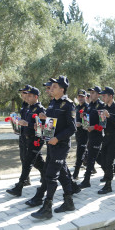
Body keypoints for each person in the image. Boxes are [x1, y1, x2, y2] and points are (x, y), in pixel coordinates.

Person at [31, 76, 77, 220]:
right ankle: (69, 202)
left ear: (62, 89)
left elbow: (72, 128)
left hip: (61, 145)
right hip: (51, 144)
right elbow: (51, 125)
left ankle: (47, 208)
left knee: (50, 175)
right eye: (52, 86)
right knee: (62, 174)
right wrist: (42, 123)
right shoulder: (52, 104)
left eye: (55, 87)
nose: (51, 88)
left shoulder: (69, 105)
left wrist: (57, 138)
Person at [6, 87, 45, 197]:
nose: (26, 97)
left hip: (36, 139)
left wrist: (27, 124)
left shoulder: (40, 109)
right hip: (27, 138)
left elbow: (45, 127)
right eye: (26, 95)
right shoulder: (29, 108)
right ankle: (48, 175)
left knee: (27, 162)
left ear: (36, 97)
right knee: (37, 162)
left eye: (29, 96)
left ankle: (19, 187)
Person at [94, 87, 115, 194]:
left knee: (109, 161)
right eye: (102, 95)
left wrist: (109, 117)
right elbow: (103, 123)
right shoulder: (103, 107)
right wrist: (100, 124)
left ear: (111, 96)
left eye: (104, 95)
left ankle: (108, 186)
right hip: (106, 137)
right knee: (102, 160)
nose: (102, 97)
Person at [79, 86, 105, 189]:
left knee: (90, 158)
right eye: (91, 92)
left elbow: (102, 124)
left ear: (98, 94)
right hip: (90, 135)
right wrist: (83, 118)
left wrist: (93, 127)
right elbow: (88, 120)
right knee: (99, 158)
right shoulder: (89, 105)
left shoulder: (101, 105)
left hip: (97, 135)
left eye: (93, 93)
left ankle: (86, 180)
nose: (91, 94)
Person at [16, 85, 33, 186]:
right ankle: (26, 178)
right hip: (22, 135)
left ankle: (44, 176)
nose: (22, 95)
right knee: (23, 157)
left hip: (30, 137)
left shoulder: (32, 106)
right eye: (22, 93)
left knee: (33, 160)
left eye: (24, 93)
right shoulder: (24, 104)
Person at [72, 89, 89, 180]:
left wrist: (82, 123)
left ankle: (75, 174)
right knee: (86, 153)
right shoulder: (77, 107)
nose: (81, 98)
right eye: (79, 96)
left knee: (80, 153)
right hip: (78, 133)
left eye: (82, 96)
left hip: (85, 134)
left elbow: (88, 124)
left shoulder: (88, 107)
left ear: (86, 97)